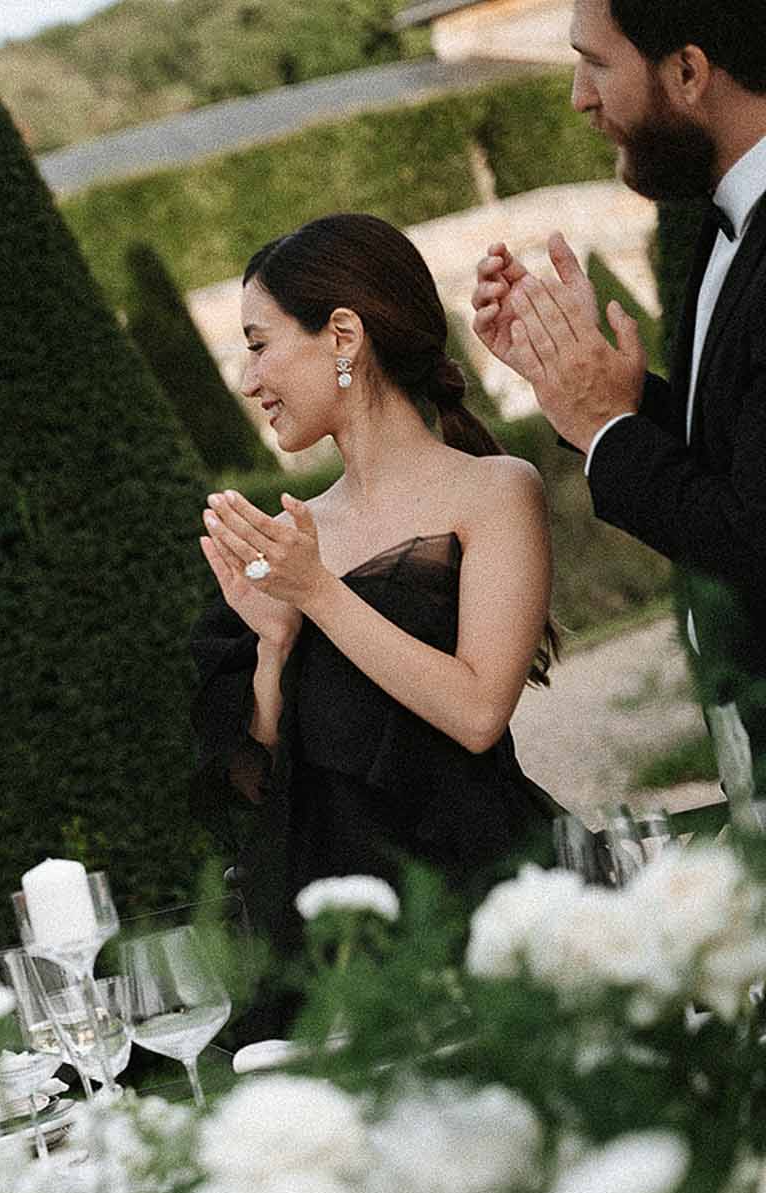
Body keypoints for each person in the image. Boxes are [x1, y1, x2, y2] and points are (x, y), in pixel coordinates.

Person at [192, 214, 560, 1037]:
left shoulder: (494, 491)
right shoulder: (288, 536)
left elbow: (476, 713)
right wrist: (272, 645)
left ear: (343, 336)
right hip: (323, 928)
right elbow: (261, 777)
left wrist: (319, 594)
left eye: (258, 345)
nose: (250, 381)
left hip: (468, 891)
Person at [470, 0, 766, 775]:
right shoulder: (727, 225)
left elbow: (750, 536)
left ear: (690, 71)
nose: (578, 96)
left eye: (596, 62)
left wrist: (610, 427)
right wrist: (592, 388)